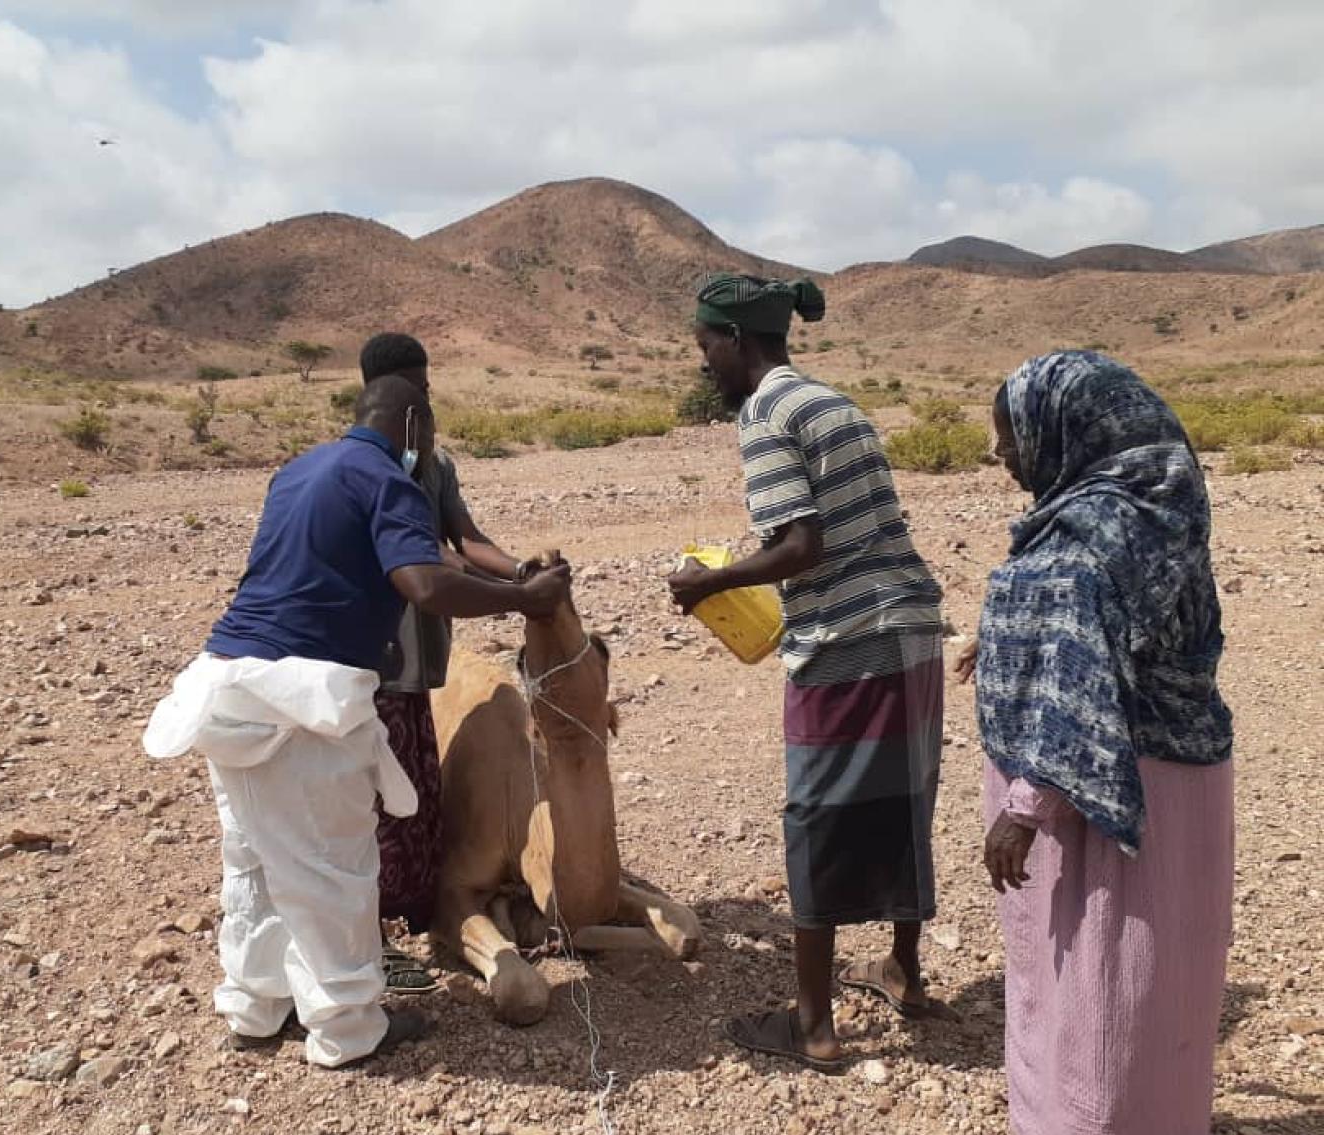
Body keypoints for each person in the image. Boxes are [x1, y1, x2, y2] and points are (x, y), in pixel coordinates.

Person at [141, 376, 571, 1070]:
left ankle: (255, 1008)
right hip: (301, 700)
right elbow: (424, 584)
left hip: (226, 684)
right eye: (428, 435)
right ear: (412, 427)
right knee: (334, 867)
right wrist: (523, 598)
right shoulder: (387, 478)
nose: (429, 450)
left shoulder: (299, 471)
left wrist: (506, 581)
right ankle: (347, 1029)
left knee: (255, 859)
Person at [956, 351, 1235, 1135]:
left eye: (1011, 435)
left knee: (1103, 983)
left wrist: (1026, 807)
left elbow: (1087, 682)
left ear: (1064, 430)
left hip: (1111, 795)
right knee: (1156, 988)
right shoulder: (1149, 506)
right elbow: (1116, 637)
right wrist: (996, 643)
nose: (1001, 453)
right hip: (1174, 778)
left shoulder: (1091, 538)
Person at [667, 273, 945, 1071]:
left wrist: (710, 582)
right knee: (904, 798)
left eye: (706, 348)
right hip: (914, 628)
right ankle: (903, 970)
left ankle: (813, 1025)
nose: (705, 365)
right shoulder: (832, 403)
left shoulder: (764, 414)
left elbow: (801, 547)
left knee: (816, 815)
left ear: (738, 342)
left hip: (848, 639)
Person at [357, 333, 527, 993]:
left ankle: (412, 924)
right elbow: (433, 563)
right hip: (371, 662)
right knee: (370, 811)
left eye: (427, 391)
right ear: (387, 397)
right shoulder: (367, 472)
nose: (427, 405)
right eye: (416, 392)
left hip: (419, 662)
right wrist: (517, 596)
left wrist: (521, 569)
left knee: (415, 805)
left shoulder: (435, 467)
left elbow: (467, 539)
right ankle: (368, 945)